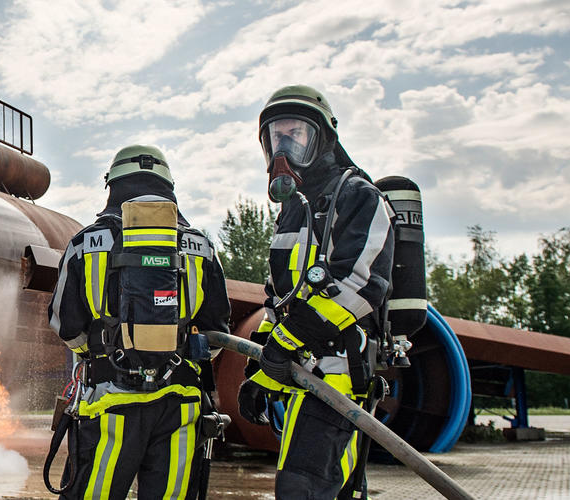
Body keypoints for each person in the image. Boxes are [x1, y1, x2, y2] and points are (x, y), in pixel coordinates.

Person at [48, 145, 233, 500]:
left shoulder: (86, 243)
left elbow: (64, 323)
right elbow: (216, 328)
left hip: (108, 403)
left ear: (112, 185)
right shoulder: (201, 247)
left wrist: (102, 353)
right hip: (180, 407)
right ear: (169, 187)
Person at [237, 85, 395, 499]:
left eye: (296, 135)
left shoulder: (358, 196)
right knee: (312, 487)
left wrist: (282, 346)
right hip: (300, 376)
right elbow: (279, 299)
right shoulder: (293, 210)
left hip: (337, 375)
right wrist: (259, 374)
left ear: (322, 138)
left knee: (303, 489)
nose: (284, 147)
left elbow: (358, 285)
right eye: (276, 137)